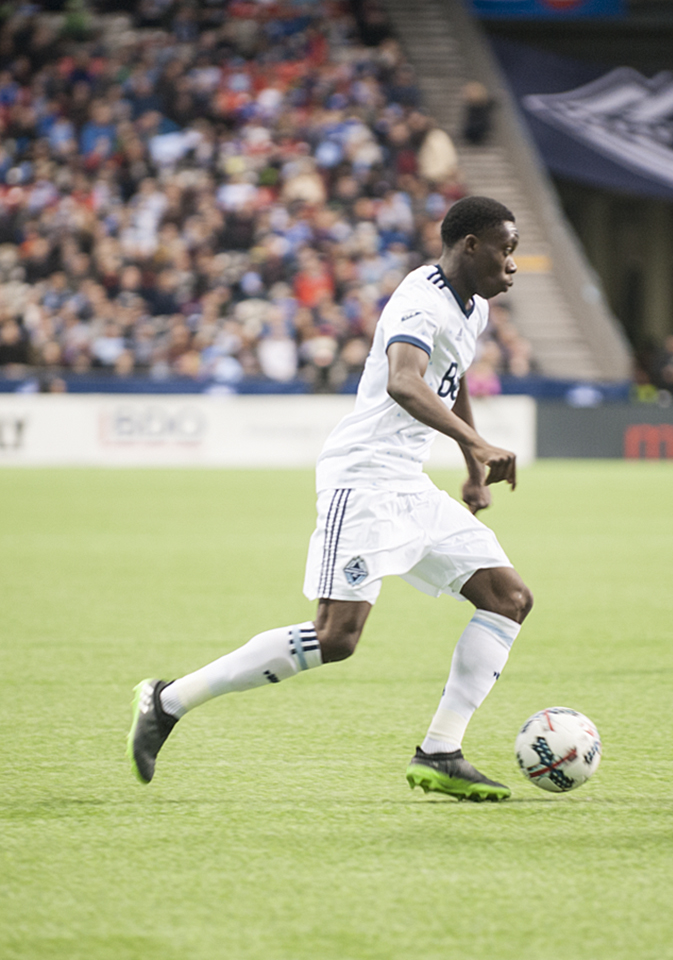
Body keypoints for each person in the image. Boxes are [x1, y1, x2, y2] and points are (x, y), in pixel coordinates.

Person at [127, 196, 532, 801]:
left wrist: (473, 467)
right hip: (363, 479)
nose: (513, 263)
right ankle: (167, 701)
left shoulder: (471, 307)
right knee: (336, 636)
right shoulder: (420, 300)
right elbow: (404, 381)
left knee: (509, 599)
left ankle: (441, 752)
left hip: (409, 482)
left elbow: (452, 377)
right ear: (471, 245)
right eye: (507, 249)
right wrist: (478, 442)